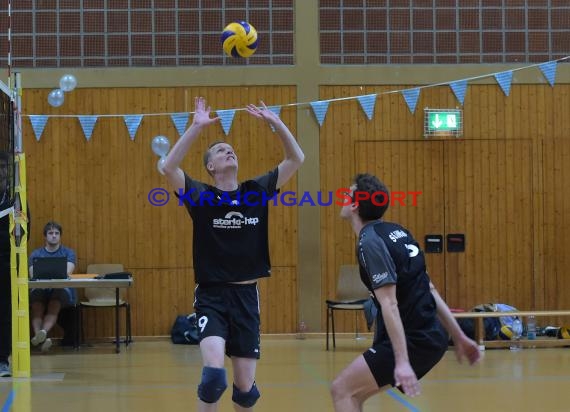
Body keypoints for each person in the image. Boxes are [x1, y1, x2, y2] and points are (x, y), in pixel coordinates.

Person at [162, 97, 304, 411]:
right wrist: (196, 128)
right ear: (211, 167)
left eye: (232, 149)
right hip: (212, 297)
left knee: (245, 389)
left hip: (246, 298)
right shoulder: (200, 195)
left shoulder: (255, 191)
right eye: (221, 150)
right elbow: (168, 166)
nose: (230, 150)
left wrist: (276, 122)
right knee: (214, 379)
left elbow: (296, 158)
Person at [331, 173, 481, 411]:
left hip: (413, 340)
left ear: (355, 205)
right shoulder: (398, 231)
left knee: (341, 389)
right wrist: (458, 335)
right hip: (432, 336)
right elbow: (429, 288)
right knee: (354, 395)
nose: (343, 198)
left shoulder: (369, 242)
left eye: (347, 194)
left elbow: (389, 304)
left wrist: (401, 361)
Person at [28, 221, 76, 352]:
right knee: (37, 305)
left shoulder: (68, 253)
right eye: (50, 233)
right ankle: (41, 337)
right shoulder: (35, 254)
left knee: (54, 303)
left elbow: (67, 272)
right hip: (41, 288)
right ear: (45, 236)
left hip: (61, 289)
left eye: (56, 233)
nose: (54, 236)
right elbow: (33, 274)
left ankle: (42, 333)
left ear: (60, 236)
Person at [0, 153, 13, 375]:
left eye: (3, 166)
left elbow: (23, 232)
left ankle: (2, 360)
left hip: (6, 264)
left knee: (4, 311)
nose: (0, 171)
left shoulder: (15, 198)